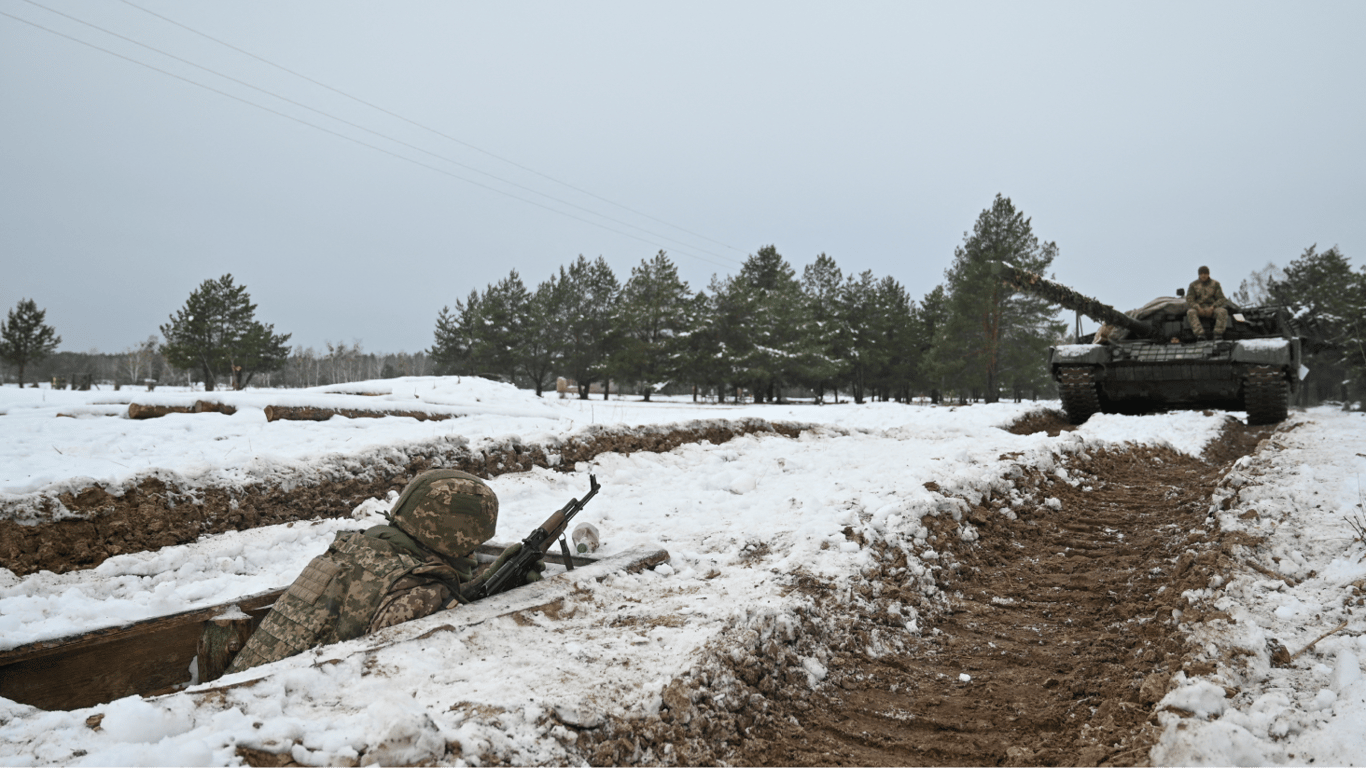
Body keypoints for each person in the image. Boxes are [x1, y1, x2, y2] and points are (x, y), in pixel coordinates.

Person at [224, 469, 539, 674]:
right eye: (473, 543)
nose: (474, 550)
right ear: (454, 535)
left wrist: (487, 582)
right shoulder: (418, 592)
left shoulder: (357, 547)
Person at [1185, 265, 1230, 340]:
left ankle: (1218, 334)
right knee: (1190, 312)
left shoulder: (1215, 284)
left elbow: (1221, 298)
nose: (1203, 275)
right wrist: (1197, 307)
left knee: (1223, 311)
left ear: (1208, 274)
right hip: (1199, 308)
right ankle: (1200, 335)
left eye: (1205, 273)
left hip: (1212, 308)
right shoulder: (1193, 285)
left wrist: (1213, 307)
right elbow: (1189, 299)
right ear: (1199, 274)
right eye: (1201, 273)